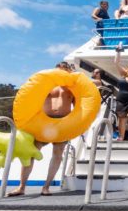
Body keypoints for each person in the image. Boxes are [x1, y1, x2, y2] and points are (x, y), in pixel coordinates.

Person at [7, 62, 76, 197]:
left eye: (62, 71)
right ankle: (21, 187)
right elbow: (33, 100)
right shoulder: (46, 85)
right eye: (57, 71)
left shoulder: (73, 88)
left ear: (67, 72)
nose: (59, 74)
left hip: (62, 123)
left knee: (57, 154)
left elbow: (80, 107)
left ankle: (46, 187)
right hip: (43, 123)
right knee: (31, 153)